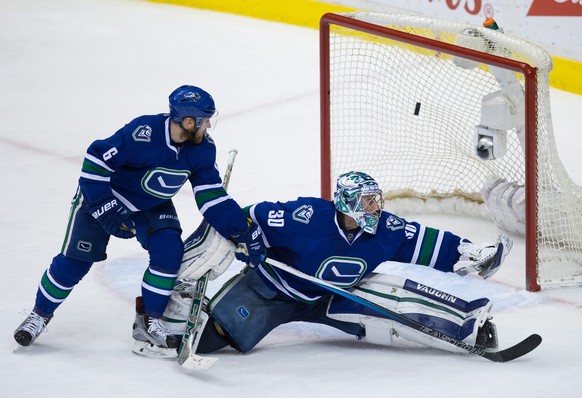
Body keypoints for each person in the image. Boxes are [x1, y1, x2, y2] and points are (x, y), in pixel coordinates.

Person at [13, 85, 264, 358]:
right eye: (204, 120)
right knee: (75, 262)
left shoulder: (202, 149)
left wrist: (239, 228)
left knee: (169, 252)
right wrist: (104, 207)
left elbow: (211, 195)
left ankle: (150, 322)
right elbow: (95, 160)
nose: (208, 126)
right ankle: (39, 315)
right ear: (188, 121)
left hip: (151, 204)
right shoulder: (143, 133)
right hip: (103, 197)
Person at [168, 171, 512, 357]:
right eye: (368, 200)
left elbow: (426, 242)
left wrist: (469, 255)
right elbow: (251, 216)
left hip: (332, 296)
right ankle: (164, 324)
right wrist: (247, 238)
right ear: (348, 202)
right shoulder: (304, 217)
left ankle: (469, 325)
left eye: (376, 199)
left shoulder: (385, 229)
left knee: (394, 299)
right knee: (209, 340)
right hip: (269, 291)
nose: (376, 206)